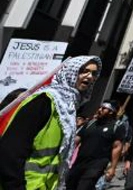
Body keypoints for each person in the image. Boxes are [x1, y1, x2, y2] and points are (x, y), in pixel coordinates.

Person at [0, 55, 101, 190]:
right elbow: (11, 150)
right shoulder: (44, 101)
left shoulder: (68, 107)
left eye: (94, 73)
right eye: (84, 70)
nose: (89, 76)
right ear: (70, 72)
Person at [66, 100, 127, 190]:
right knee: (70, 185)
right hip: (80, 161)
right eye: (100, 107)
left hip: (97, 163)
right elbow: (77, 139)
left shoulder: (117, 126)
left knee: (84, 186)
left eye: (104, 108)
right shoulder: (91, 123)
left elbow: (117, 147)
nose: (100, 110)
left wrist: (113, 167)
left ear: (111, 112)